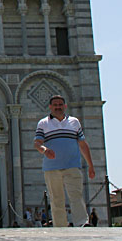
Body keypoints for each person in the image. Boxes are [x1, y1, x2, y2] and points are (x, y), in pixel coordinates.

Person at [34, 94, 95, 227]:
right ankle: (60, 227)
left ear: (65, 106)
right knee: (56, 199)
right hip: (52, 168)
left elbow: (83, 144)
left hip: (72, 165)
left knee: (76, 196)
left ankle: (81, 224)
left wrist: (90, 165)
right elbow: (37, 143)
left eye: (60, 105)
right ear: (50, 107)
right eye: (55, 105)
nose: (58, 107)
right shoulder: (43, 123)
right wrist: (45, 150)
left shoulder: (74, 122)